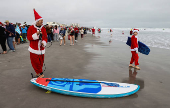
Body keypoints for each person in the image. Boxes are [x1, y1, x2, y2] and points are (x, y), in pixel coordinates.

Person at [27, 9, 47, 78]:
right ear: (37, 21)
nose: (42, 22)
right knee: (35, 62)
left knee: (41, 61)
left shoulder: (43, 28)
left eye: (42, 21)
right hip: (33, 48)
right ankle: (40, 73)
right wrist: (36, 34)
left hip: (41, 48)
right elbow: (29, 37)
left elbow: (45, 37)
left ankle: (38, 72)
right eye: (41, 21)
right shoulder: (31, 28)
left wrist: (44, 42)